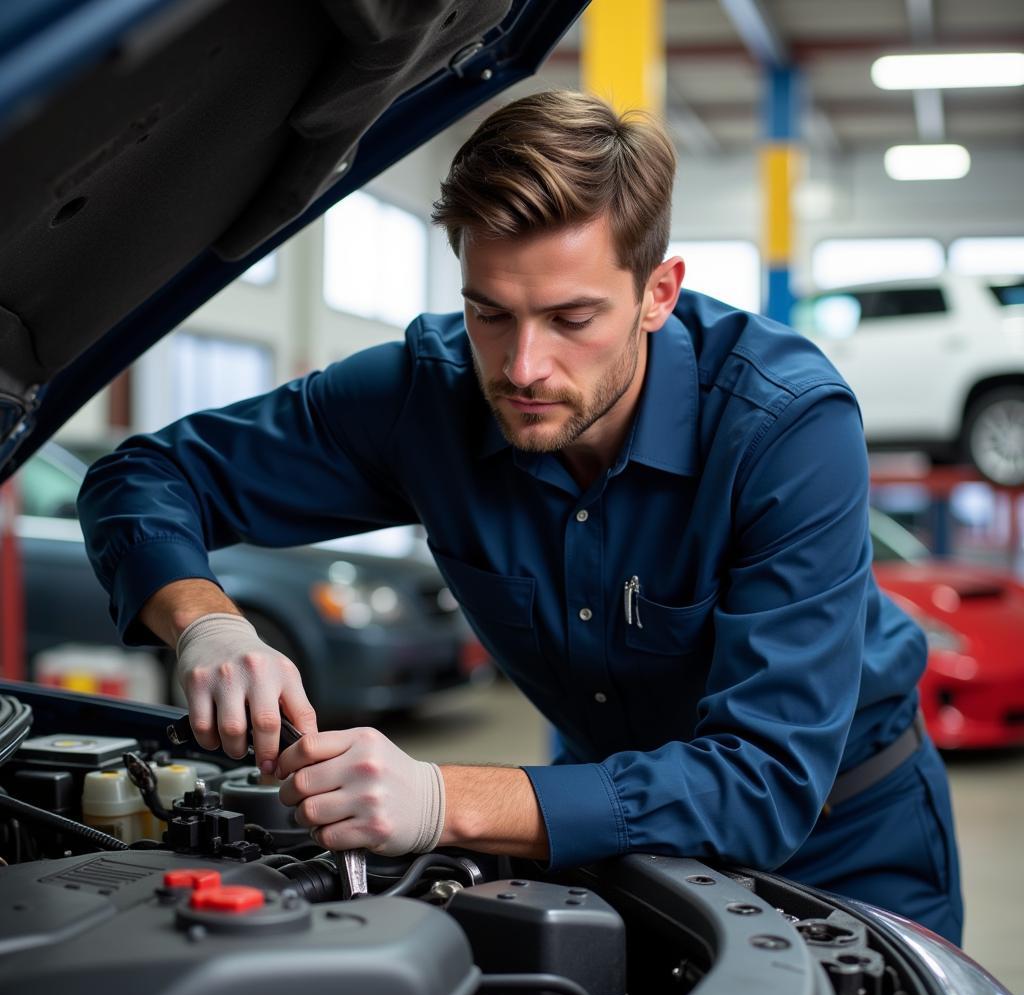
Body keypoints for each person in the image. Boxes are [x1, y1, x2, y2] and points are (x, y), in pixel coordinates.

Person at [78, 90, 963, 943]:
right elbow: (144, 475)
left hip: (845, 838)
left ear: (658, 293)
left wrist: (442, 797)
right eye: (489, 313)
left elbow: (762, 781)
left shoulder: (786, 428)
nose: (524, 367)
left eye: (572, 317)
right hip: (606, 826)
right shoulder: (427, 394)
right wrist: (208, 624)